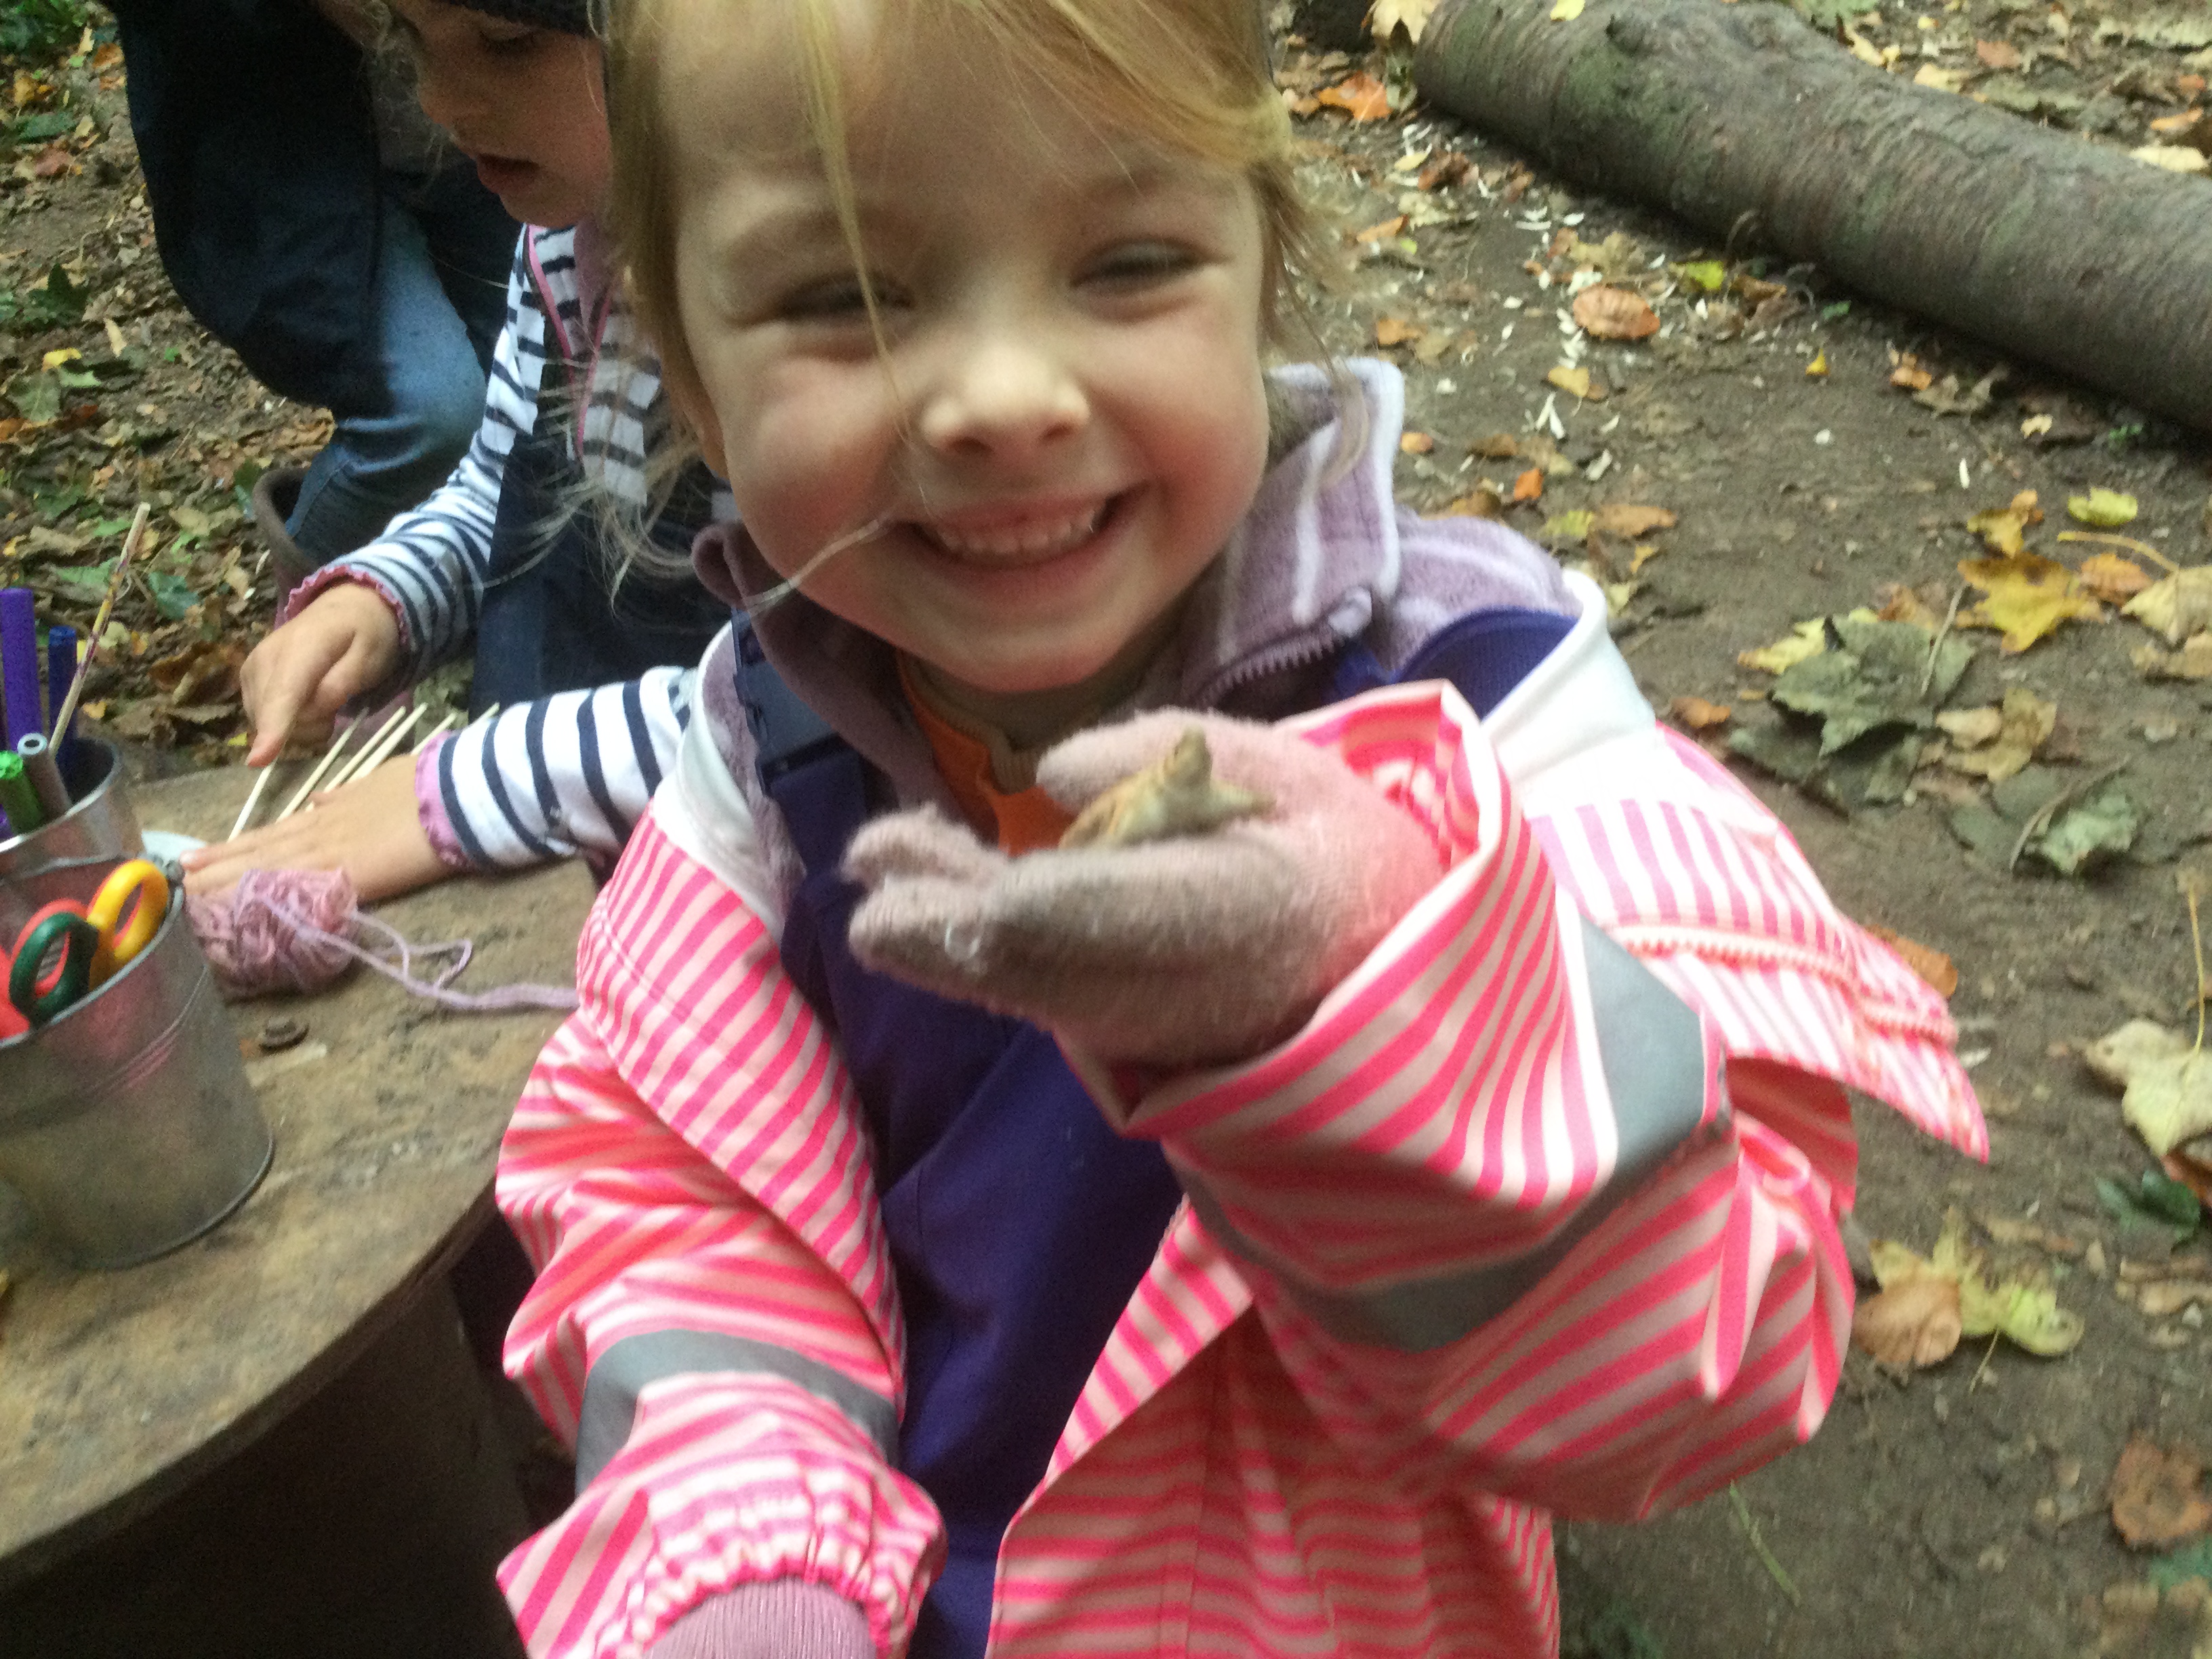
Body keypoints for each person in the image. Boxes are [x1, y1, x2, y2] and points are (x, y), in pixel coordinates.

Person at [487, 0, 1987, 1656]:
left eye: (1123, 263)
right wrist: (740, 1562)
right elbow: (687, 1199)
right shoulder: (762, 755)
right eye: (846, 295)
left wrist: (1378, 987)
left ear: (1258, 270)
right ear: (691, 381)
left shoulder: (1483, 691)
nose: (1002, 396)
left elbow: (1726, 1347)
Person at [181, 0, 726, 903]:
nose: (439, 100)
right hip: (552, 867)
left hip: (719, 905)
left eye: (509, 45)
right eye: (411, 40)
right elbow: (502, 491)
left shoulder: (803, 321)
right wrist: (384, 598)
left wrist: (467, 792)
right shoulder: (563, 244)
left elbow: (801, 701)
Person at [107, 0, 518, 572]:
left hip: (485, 142)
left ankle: (447, 608)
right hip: (293, 150)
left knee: (534, 411)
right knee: (428, 415)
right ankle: (303, 621)